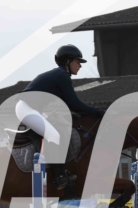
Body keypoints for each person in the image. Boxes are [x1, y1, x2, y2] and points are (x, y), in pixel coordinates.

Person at [18, 44, 105, 189]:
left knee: (59, 129)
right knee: (53, 135)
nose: (80, 66)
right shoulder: (62, 75)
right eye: (77, 62)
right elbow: (74, 104)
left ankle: (60, 170)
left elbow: (69, 104)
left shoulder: (59, 75)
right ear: (67, 61)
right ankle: (59, 176)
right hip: (26, 109)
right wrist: (97, 112)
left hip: (32, 109)